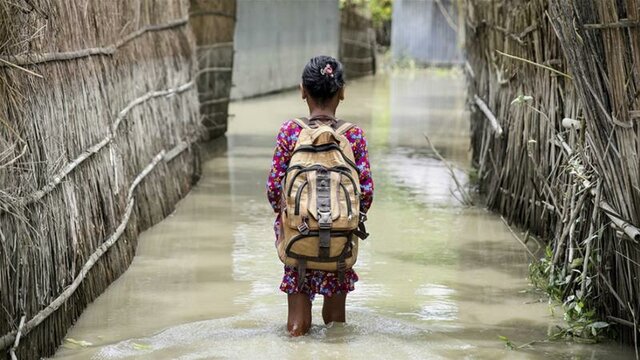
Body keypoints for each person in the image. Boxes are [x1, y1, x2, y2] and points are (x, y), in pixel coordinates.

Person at [266, 55, 374, 336]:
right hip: (340, 240)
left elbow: (274, 188)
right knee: (336, 324)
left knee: (297, 326)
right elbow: (367, 193)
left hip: (298, 236)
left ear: (303, 90)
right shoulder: (354, 136)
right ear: (342, 92)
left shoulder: (290, 132)